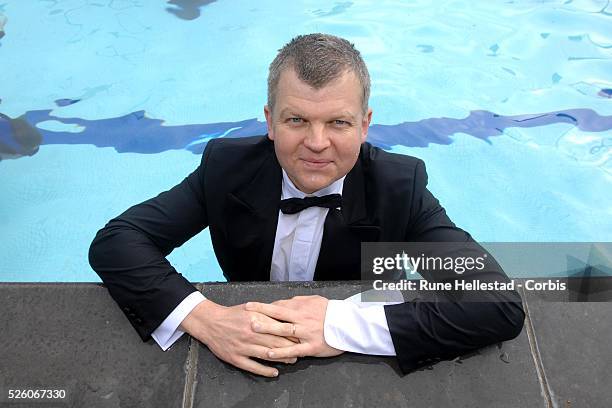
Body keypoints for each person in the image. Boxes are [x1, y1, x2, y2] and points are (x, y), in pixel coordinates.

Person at [89, 33, 524, 378]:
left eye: (338, 122)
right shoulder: (227, 167)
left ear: (365, 124)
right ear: (270, 120)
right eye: (297, 120)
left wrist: (340, 325)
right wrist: (204, 317)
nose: (317, 144)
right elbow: (117, 241)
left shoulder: (399, 186)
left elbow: (496, 303)